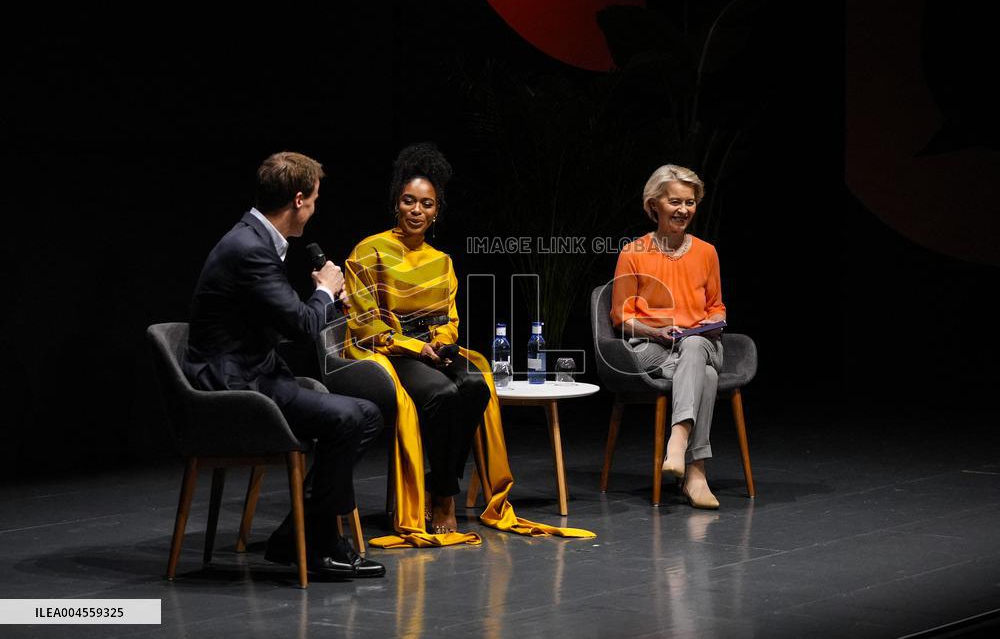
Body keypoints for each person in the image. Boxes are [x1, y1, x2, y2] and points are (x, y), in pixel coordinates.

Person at [342, 142, 595, 547]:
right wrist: (414, 347)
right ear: (396, 203)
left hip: (433, 349)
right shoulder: (369, 251)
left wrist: (440, 342)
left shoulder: (441, 261)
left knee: (478, 386)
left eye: (426, 204)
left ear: (436, 212)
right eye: (409, 201)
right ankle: (444, 495)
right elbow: (364, 322)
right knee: (442, 394)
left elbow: (449, 318)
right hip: (388, 352)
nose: (416, 210)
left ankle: (439, 482)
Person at [183, 151, 386, 577]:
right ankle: (316, 544)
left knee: (361, 414)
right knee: (354, 417)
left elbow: (288, 320)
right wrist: (326, 291)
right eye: (313, 200)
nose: (314, 209)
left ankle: (300, 536)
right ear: (298, 200)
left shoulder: (256, 239)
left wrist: (327, 303)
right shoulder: (250, 249)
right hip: (235, 388)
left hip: (256, 373)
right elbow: (300, 325)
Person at [610, 164, 726, 510]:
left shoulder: (707, 252)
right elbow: (621, 317)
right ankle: (695, 473)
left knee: (694, 346)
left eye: (690, 203)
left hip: (702, 343)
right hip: (653, 348)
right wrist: (656, 331)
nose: (684, 210)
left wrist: (715, 321)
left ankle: (677, 440)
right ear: (654, 204)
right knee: (703, 374)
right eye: (675, 201)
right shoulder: (634, 252)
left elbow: (716, 306)